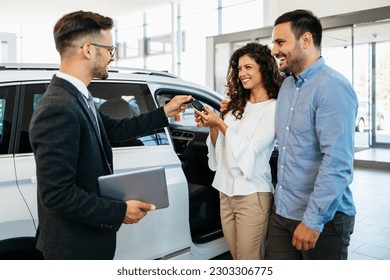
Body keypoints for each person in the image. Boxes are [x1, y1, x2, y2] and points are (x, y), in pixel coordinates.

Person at [29, 10, 192, 260]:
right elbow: (57, 194)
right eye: (110, 50)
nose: (111, 58)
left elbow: (116, 129)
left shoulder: (78, 97)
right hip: (74, 248)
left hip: (84, 241)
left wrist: (164, 112)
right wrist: (118, 211)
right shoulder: (58, 107)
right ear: (88, 49)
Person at [267, 9, 358, 260]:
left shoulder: (333, 87)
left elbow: (337, 163)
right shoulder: (286, 85)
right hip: (283, 212)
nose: (274, 50)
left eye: (280, 42)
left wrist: (313, 220)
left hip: (323, 219)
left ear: (305, 40)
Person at [195, 42, 282, 259]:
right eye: (239, 68)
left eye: (248, 67)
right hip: (226, 192)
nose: (242, 73)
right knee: (236, 258)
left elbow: (250, 150)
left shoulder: (273, 108)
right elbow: (220, 148)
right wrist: (213, 124)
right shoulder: (236, 106)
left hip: (252, 195)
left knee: (249, 260)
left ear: (264, 67)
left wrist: (220, 123)